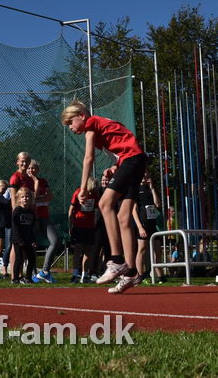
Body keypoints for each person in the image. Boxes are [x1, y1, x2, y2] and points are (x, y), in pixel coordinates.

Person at [62, 100, 148, 294]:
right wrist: (115, 167)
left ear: (82, 116)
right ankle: (132, 273)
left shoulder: (91, 123)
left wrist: (83, 188)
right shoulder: (104, 124)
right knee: (124, 217)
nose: (70, 127)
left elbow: (88, 158)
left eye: (71, 122)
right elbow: (125, 145)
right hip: (135, 161)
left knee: (104, 203)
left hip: (132, 160)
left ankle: (117, 261)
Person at [27, 160, 63, 284]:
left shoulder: (43, 181)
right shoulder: (26, 182)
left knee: (56, 240)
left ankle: (45, 272)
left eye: (34, 168)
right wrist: (38, 198)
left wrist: (37, 198)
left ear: (38, 169)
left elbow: (50, 196)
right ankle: (31, 274)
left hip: (44, 217)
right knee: (31, 245)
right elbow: (28, 199)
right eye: (29, 168)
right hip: (30, 218)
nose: (31, 170)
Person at [133, 171, 165, 282]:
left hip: (153, 223)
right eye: (143, 175)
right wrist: (139, 227)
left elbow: (158, 205)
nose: (145, 177)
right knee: (142, 249)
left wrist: (152, 188)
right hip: (143, 222)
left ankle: (160, 275)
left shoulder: (151, 190)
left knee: (157, 250)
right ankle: (139, 275)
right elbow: (133, 210)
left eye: (147, 175)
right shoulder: (136, 190)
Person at [68, 177, 98, 283]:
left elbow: (97, 208)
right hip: (79, 225)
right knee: (78, 249)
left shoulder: (95, 195)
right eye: (89, 191)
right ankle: (75, 274)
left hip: (90, 227)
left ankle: (85, 275)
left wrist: (95, 221)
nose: (90, 193)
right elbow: (71, 210)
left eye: (93, 191)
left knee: (88, 251)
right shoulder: (78, 193)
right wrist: (70, 226)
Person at [10, 187, 37, 284]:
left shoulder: (31, 212)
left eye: (27, 196)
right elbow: (15, 226)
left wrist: (33, 240)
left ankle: (28, 278)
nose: (25, 198)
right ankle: (15, 278)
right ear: (19, 199)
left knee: (32, 258)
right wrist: (19, 240)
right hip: (18, 239)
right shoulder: (17, 210)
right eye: (23, 197)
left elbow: (32, 228)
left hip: (28, 239)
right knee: (19, 258)